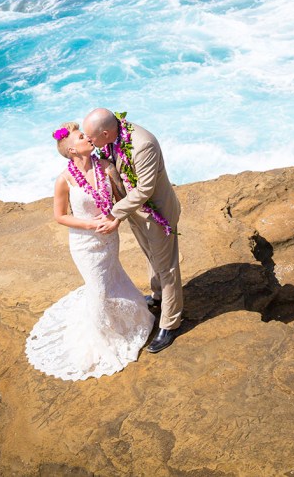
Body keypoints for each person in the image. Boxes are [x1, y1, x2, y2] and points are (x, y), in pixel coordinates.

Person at [24, 122, 154, 380]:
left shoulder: (106, 167)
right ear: (72, 150)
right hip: (84, 243)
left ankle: (121, 320)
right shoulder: (63, 180)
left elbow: (121, 201)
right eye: (82, 136)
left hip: (109, 237)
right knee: (98, 288)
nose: (88, 137)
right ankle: (100, 339)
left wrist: (115, 220)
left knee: (113, 277)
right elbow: (60, 216)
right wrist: (90, 224)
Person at [83, 108, 182, 354]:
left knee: (166, 266)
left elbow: (145, 189)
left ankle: (170, 323)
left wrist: (115, 214)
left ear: (106, 134)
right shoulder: (112, 136)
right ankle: (159, 296)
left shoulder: (143, 145)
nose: (89, 142)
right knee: (151, 255)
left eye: (91, 138)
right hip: (135, 211)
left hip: (157, 213)